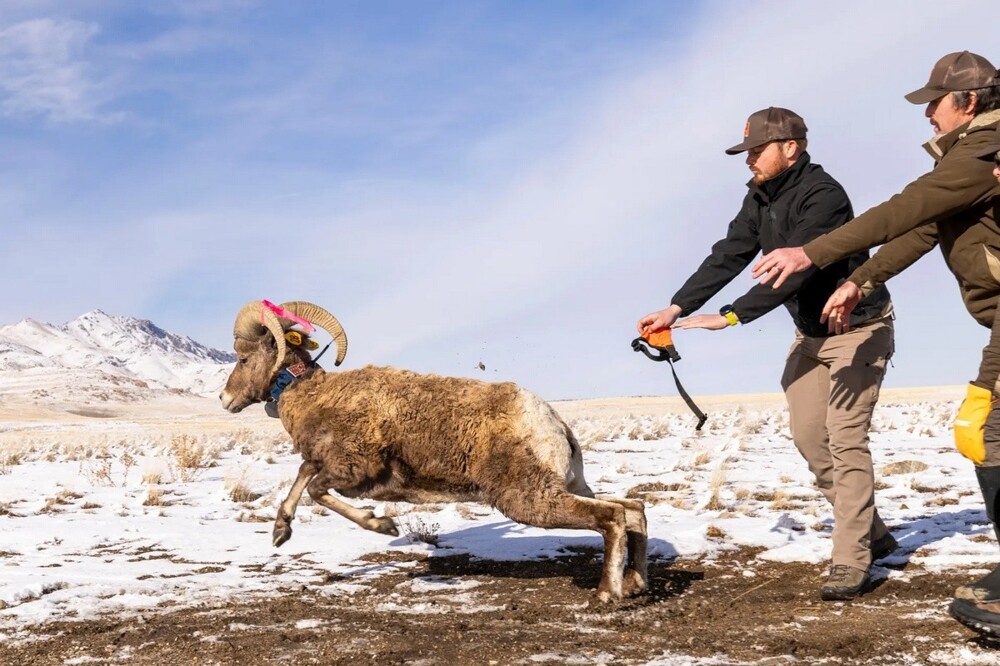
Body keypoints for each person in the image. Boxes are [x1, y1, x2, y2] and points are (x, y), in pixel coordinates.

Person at [750, 51, 1000, 634]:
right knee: (986, 429)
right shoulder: (973, 156)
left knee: (985, 429)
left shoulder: (981, 151)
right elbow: (923, 227)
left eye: (933, 103)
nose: (928, 115)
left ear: (966, 101)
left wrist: (813, 253)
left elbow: (907, 207)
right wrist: (862, 278)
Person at [637, 107, 896, 600]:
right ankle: (874, 534)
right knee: (809, 440)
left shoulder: (824, 196)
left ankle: (851, 558)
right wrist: (677, 306)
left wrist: (732, 316)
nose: (748, 160)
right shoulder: (759, 196)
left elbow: (794, 272)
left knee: (845, 440)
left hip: (859, 330)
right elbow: (729, 253)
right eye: (746, 151)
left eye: (757, 150)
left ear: (790, 148)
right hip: (810, 335)